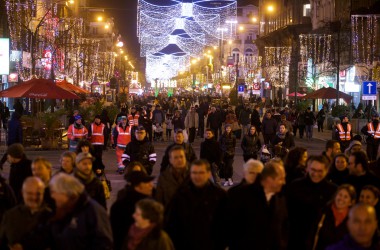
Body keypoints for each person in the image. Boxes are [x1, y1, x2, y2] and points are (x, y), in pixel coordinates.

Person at [165, 159, 227, 250]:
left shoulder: (219, 196)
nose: (197, 176)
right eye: (194, 173)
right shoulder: (180, 195)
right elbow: (172, 224)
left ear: (209, 174)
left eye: (201, 172)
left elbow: (226, 224)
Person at [228, 160, 288, 250]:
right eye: (280, 178)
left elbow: (284, 225)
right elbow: (230, 225)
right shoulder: (239, 195)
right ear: (268, 178)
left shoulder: (280, 198)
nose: (284, 182)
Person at [49, 173, 113, 250]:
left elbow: (103, 244)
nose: (52, 196)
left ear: (66, 192)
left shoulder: (93, 211)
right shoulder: (63, 209)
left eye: (53, 192)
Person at [287, 155, 337, 250]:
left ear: (326, 171)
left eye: (320, 171)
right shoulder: (296, 186)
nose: (316, 174)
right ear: (307, 169)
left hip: (322, 240)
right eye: (313, 170)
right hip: (297, 238)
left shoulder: (333, 190)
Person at [0, 177, 53, 250]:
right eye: (29, 193)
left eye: (38, 194)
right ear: (22, 193)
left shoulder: (51, 218)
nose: (34, 197)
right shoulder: (10, 216)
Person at [110, 171, 155, 250]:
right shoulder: (121, 207)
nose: (151, 185)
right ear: (138, 186)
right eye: (147, 183)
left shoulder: (118, 205)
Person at [310, 184, 356, 250]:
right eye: (340, 195)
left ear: (351, 202)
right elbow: (312, 236)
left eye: (346, 197)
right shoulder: (323, 213)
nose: (341, 199)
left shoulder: (353, 219)